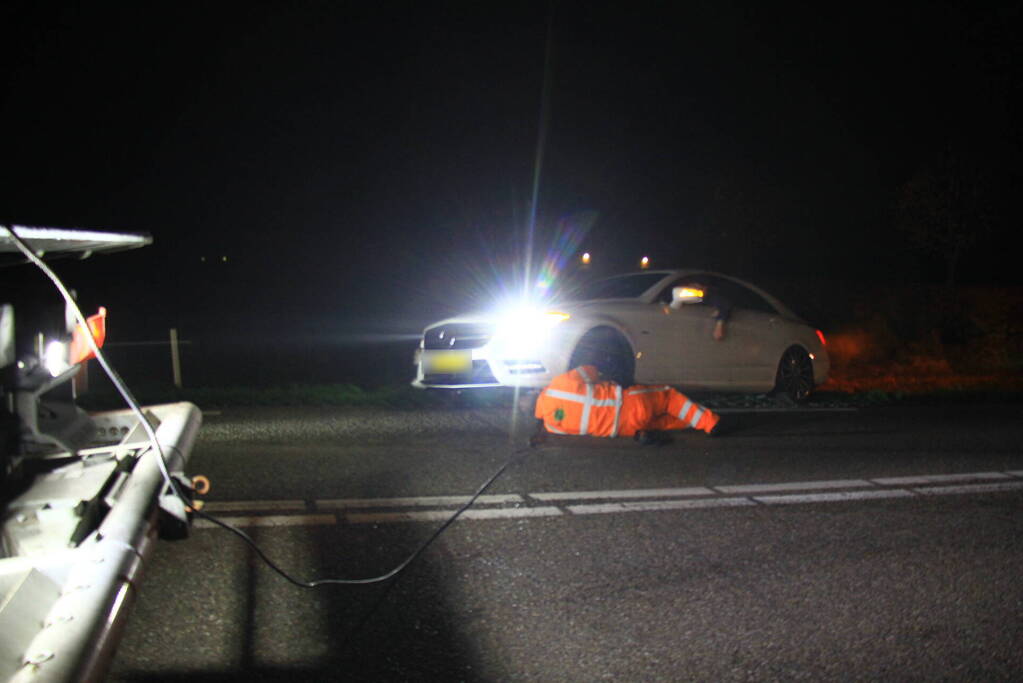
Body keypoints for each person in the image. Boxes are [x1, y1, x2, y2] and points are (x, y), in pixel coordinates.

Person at [529, 365, 724, 446]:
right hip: (627, 403)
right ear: (537, 393)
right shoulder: (557, 385)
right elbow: (590, 370)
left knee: (663, 422)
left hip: (624, 429)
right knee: (667, 397)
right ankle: (710, 423)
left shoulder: (551, 425)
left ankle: (690, 423)